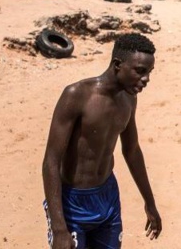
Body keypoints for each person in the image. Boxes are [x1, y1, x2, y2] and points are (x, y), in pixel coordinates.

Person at [42, 34, 162, 249]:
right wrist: (60, 229)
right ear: (118, 65)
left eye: (149, 73)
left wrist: (150, 203)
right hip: (72, 202)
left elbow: (132, 151)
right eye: (140, 71)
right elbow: (51, 160)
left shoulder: (129, 99)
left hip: (107, 197)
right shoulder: (77, 95)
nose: (146, 79)